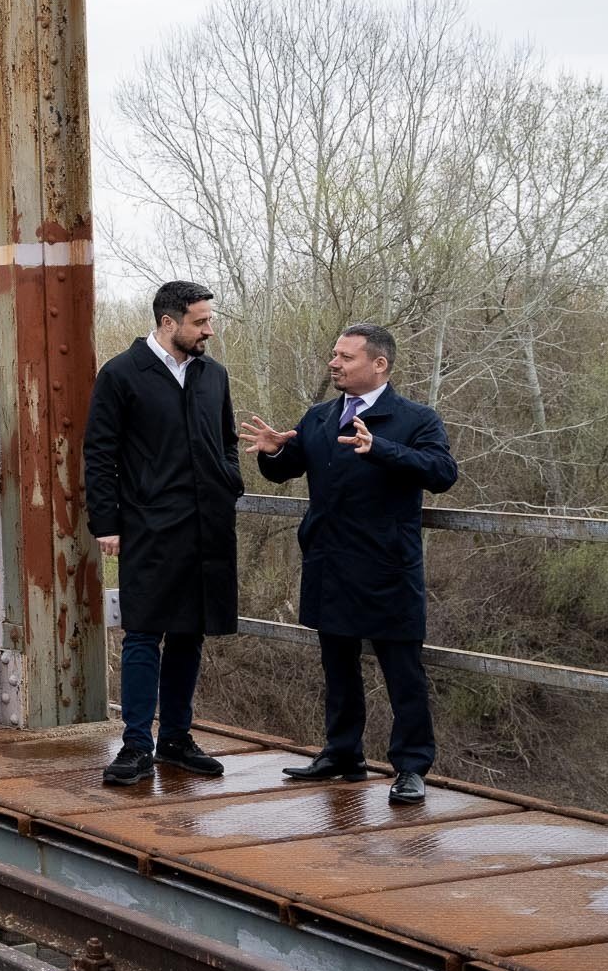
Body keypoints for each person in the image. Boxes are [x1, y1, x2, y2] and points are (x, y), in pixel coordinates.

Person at [243, 323, 459, 806]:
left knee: (403, 672)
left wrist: (379, 449)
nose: (334, 363)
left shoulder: (415, 418)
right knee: (337, 665)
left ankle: (410, 767)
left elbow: (442, 473)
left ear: (379, 364)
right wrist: (273, 450)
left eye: (346, 357)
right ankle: (343, 754)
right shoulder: (320, 417)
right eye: (334, 355)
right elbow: (287, 468)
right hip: (328, 561)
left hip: (388, 567)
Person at [83, 281, 241, 786]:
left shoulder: (213, 375)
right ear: (168, 323)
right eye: (200, 321)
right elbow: (99, 453)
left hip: (206, 526)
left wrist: (228, 481)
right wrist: (106, 522)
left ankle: (175, 737)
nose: (208, 330)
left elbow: (228, 440)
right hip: (148, 525)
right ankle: (135, 745)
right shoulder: (122, 374)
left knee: (190, 633)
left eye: (208, 320)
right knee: (144, 632)